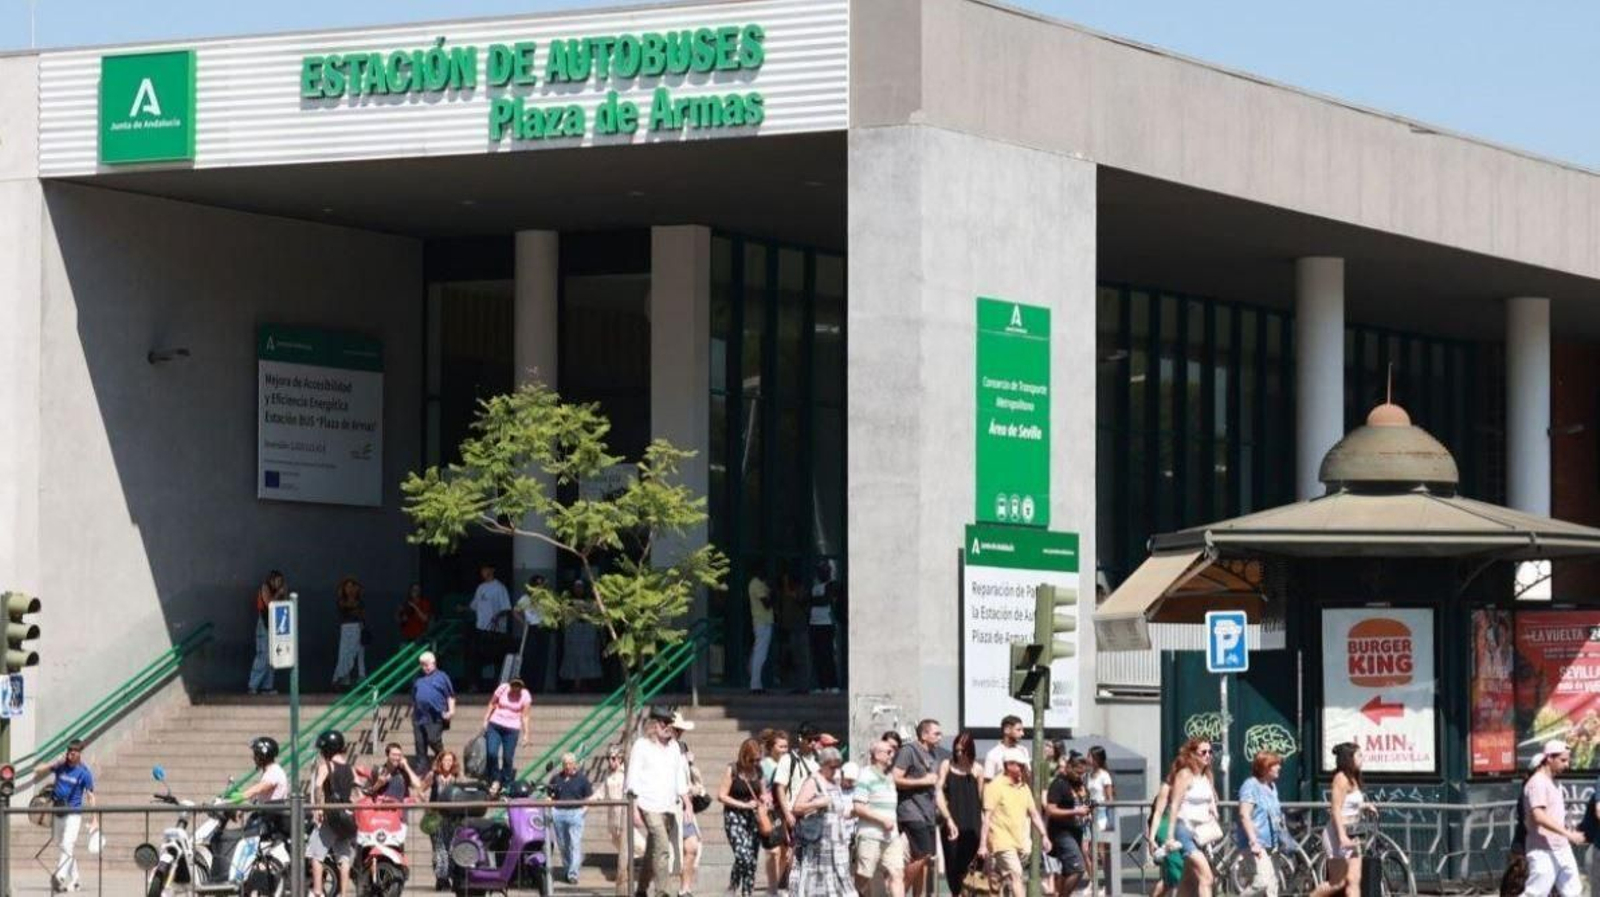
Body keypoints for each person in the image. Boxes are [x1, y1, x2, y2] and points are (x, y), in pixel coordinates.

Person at [627, 706, 692, 897]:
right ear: (653, 725)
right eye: (663, 723)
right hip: (647, 804)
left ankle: (641, 889)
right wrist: (634, 808)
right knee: (663, 848)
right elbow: (632, 778)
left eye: (669, 724)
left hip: (668, 806)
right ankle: (663, 892)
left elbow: (680, 778)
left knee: (652, 850)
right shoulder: (641, 746)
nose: (667, 727)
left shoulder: (674, 748)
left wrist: (687, 803)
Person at [978, 748, 1049, 897]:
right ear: (1008, 765)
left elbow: (1034, 814)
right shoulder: (995, 786)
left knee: (1005, 878)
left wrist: (1044, 836)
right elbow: (987, 817)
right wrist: (983, 845)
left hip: (1021, 842)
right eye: (1020, 765)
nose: (1024, 768)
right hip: (1001, 841)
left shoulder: (1024, 787)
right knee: (1016, 875)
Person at [33, 739, 98, 893]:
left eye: (73, 753)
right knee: (63, 845)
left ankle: (59, 876)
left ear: (79, 754)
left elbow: (90, 796)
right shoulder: (60, 766)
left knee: (68, 844)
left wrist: (95, 819)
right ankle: (75, 881)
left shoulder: (84, 773)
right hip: (58, 811)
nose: (70, 755)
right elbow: (37, 770)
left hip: (73, 813)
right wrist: (53, 763)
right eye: (69, 752)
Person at [790, 747, 854, 897]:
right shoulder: (813, 781)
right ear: (822, 764)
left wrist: (852, 813)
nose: (835, 770)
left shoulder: (835, 781)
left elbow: (837, 811)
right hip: (820, 843)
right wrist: (817, 803)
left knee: (841, 882)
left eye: (838, 766)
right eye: (832, 767)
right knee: (819, 884)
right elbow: (797, 808)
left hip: (838, 843)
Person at [1160, 737, 1219, 897]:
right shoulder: (1185, 774)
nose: (1208, 755)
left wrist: (1213, 809)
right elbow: (1174, 805)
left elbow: (1211, 801)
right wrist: (1170, 836)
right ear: (1192, 754)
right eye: (1203, 752)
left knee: (1187, 881)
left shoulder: (1207, 776)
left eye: (1210, 752)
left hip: (1201, 833)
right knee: (1207, 878)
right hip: (1185, 830)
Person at [1310, 742, 1371, 897]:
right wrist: (1342, 836)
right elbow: (1336, 809)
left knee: (1354, 880)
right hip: (1338, 835)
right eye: (1359, 755)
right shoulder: (1341, 778)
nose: (1362, 759)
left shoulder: (1353, 778)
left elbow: (1349, 803)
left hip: (1353, 833)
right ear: (1349, 758)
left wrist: (1365, 806)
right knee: (1338, 883)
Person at [893, 719, 943, 897]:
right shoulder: (909, 751)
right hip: (911, 812)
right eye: (936, 733)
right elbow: (895, 779)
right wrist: (922, 781)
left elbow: (935, 787)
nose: (940, 737)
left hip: (928, 813)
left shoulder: (934, 754)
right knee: (923, 855)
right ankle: (898, 891)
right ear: (924, 735)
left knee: (924, 859)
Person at [853, 738, 907, 897]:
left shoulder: (890, 777)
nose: (892, 755)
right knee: (864, 876)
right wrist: (882, 820)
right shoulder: (865, 775)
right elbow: (858, 807)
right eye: (889, 752)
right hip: (870, 836)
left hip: (892, 837)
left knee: (897, 874)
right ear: (877, 755)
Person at [308, 729, 358, 897]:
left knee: (316, 855)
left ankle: (317, 891)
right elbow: (357, 790)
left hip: (331, 817)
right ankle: (343, 894)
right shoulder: (350, 768)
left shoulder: (326, 766)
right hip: (346, 818)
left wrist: (319, 808)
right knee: (343, 858)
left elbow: (318, 786)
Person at [936, 730, 984, 897]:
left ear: (970, 750)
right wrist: (948, 819)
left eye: (963, 750)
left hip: (973, 824)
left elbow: (982, 800)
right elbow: (938, 792)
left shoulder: (977, 769)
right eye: (956, 750)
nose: (959, 753)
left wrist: (985, 830)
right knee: (953, 865)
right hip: (952, 822)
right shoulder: (946, 765)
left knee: (972, 867)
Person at [719, 737, 767, 897]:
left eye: (758, 760)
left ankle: (747, 893)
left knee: (752, 859)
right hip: (734, 816)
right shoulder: (733, 769)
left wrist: (765, 799)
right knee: (743, 856)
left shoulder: (759, 771)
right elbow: (721, 796)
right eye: (752, 760)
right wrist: (744, 805)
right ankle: (733, 884)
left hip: (753, 818)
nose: (755, 763)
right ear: (744, 756)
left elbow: (764, 792)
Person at [1236, 751, 1285, 897]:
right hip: (1256, 844)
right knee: (1261, 883)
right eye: (1275, 764)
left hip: (1272, 844)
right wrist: (1253, 842)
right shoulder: (1251, 785)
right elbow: (1244, 814)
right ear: (1265, 767)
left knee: (1272, 888)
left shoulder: (1272, 787)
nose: (1279, 767)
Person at [1044, 750, 1091, 897]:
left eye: (1082, 773)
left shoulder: (1080, 784)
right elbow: (1051, 810)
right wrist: (1076, 811)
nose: (1079, 776)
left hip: (1077, 831)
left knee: (1067, 870)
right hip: (1062, 832)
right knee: (1078, 868)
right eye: (1077, 772)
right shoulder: (1059, 784)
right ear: (1069, 767)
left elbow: (1086, 803)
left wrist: (1089, 808)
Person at [672, 712, 707, 897]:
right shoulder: (659, 750)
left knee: (692, 846)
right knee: (667, 852)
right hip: (668, 805)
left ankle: (685, 889)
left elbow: (686, 776)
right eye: (677, 729)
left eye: (680, 730)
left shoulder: (682, 747)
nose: (680, 733)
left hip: (685, 805)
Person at [481, 676, 534, 794]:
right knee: (491, 753)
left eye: (518, 686)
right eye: (514, 685)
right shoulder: (503, 689)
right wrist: (486, 719)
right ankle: (495, 779)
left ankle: (506, 782)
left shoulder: (525, 695)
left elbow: (525, 716)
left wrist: (526, 734)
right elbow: (492, 703)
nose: (516, 688)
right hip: (495, 724)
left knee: (507, 757)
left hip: (512, 729)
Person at [550, 751, 596, 884]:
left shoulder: (582, 779)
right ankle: (567, 869)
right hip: (559, 813)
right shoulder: (556, 778)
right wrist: (552, 809)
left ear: (574, 764)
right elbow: (550, 795)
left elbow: (589, 797)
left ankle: (573, 873)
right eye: (565, 764)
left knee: (575, 844)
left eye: (570, 763)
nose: (567, 766)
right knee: (563, 845)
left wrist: (584, 810)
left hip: (575, 813)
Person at [1145, 757, 1188, 897]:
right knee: (1177, 874)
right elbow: (1158, 813)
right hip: (1167, 829)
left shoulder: (1194, 784)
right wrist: (1152, 838)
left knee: (1169, 878)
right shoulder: (1167, 787)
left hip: (1184, 829)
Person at [423, 750, 463, 890]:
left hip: (452, 818)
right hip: (436, 818)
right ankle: (441, 879)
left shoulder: (457, 777)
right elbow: (421, 790)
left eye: (450, 760)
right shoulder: (433, 775)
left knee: (451, 847)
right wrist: (427, 806)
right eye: (445, 760)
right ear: (440, 762)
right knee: (439, 848)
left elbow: (464, 793)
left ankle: (450, 876)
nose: (447, 763)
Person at [469, 563, 513, 690]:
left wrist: (497, 616)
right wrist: (463, 608)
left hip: (496, 630)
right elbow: (474, 606)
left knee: (497, 658)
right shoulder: (481, 587)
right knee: (476, 657)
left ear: (492, 570)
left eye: (486, 569)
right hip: (481, 628)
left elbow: (506, 608)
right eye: (482, 570)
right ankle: (475, 685)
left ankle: (499, 685)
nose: (483, 572)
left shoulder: (500, 587)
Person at [411, 650, 456, 772]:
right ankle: (421, 771)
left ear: (434, 663)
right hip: (419, 716)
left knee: (433, 739)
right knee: (420, 745)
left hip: (435, 716)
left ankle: (444, 758)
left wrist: (451, 711)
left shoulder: (442, 677)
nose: (424, 667)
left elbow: (450, 696)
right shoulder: (418, 677)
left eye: (427, 664)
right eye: (422, 665)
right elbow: (414, 695)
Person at [761, 729, 793, 894]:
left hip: (786, 809)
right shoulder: (764, 765)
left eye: (786, 747)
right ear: (772, 747)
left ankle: (777, 883)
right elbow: (759, 786)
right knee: (774, 850)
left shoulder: (789, 763)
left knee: (785, 851)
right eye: (781, 746)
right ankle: (772, 886)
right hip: (771, 812)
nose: (784, 750)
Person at [516, 573, 557, 692]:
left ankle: (539, 686)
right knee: (529, 656)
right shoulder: (525, 598)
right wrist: (524, 623)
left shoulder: (546, 598)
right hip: (531, 627)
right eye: (537, 585)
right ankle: (527, 684)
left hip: (543, 627)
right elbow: (516, 611)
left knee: (542, 657)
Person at [248, 570, 286, 694]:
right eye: (278, 581)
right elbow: (269, 603)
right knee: (263, 655)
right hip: (264, 624)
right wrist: (278, 594)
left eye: (281, 581)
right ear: (272, 580)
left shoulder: (279, 591)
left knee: (273, 657)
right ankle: (253, 685)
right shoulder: (265, 588)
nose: (279, 584)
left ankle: (267, 686)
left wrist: (283, 594)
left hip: (275, 625)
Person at [561, 579, 603, 691]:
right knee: (574, 657)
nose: (578, 590)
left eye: (581, 587)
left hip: (588, 633)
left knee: (588, 656)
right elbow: (564, 616)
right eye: (576, 587)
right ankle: (576, 684)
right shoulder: (568, 602)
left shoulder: (592, 602)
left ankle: (586, 683)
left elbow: (597, 615)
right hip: (573, 632)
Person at [777, 567, 811, 692]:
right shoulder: (785, 593)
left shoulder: (800, 590)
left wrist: (789, 589)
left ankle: (804, 686)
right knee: (795, 659)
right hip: (791, 629)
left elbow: (801, 601)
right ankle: (798, 686)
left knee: (803, 659)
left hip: (800, 628)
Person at [331, 576, 368, 688]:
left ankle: (361, 677)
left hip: (358, 627)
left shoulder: (360, 601)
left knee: (360, 653)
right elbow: (347, 608)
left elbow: (361, 615)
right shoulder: (342, 601)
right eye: (348, 587)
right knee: (344, 653)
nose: (350, 589)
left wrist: (362, 626)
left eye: (352, 586)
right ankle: (342, 677)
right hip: (346, 628)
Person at [807, 574, 841, 694]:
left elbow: (826, 600)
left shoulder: (830, 584)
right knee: (818, 656)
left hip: (826, 624)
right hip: (814, 624)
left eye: (825, 570)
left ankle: (833, 684)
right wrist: (818, 600)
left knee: (827, 655)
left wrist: (814, 600)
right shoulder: (815, 586)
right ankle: (822, 685)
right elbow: (809, 601)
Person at [237, 736, 289, 802]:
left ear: (263, 756)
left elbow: (259, 788)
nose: (254, 758)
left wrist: (242, 796)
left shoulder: (274, 771)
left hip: (272, 808)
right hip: (268, 807)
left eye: (256, 754)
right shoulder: (271, 770)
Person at [748, 563, 775, 694]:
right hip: (762, 622)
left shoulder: (759, 583)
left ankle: (756, 682)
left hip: (763, 621)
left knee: (757, 652)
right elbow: (767, 604)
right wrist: (773, 592)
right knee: (760, 654)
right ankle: (755, 684)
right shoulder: (756, 584)